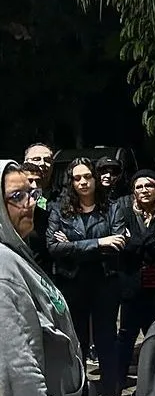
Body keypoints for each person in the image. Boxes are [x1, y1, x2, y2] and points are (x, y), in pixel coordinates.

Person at [0, 160, 85, 396]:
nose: (30, 204)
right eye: (17, 196)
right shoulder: (2, 266)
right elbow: (17, 369)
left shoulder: (18, 251)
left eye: (31, 193)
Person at [47, 158, 126, 396]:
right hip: (73, 282)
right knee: (76, 340)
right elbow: (53, 247)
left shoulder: (112, 208)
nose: (83, 182)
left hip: (106, 280)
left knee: (106, 341)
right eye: (77, 178)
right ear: (71, 182)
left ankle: (111, 390)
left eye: (87, 177)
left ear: (95, 179)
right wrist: (99, 243)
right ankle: (80, 390)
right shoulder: (60, 211)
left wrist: (73, 246)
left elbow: (119, 242)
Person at [115, 169, 155, 378]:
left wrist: (139, 240)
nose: (144, 190)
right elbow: (123, 245)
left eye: (149, 185)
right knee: (126, 338)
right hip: (131, 286)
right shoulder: (124, 213)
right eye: (139, 187)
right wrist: (153, 240)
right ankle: (117, 383)